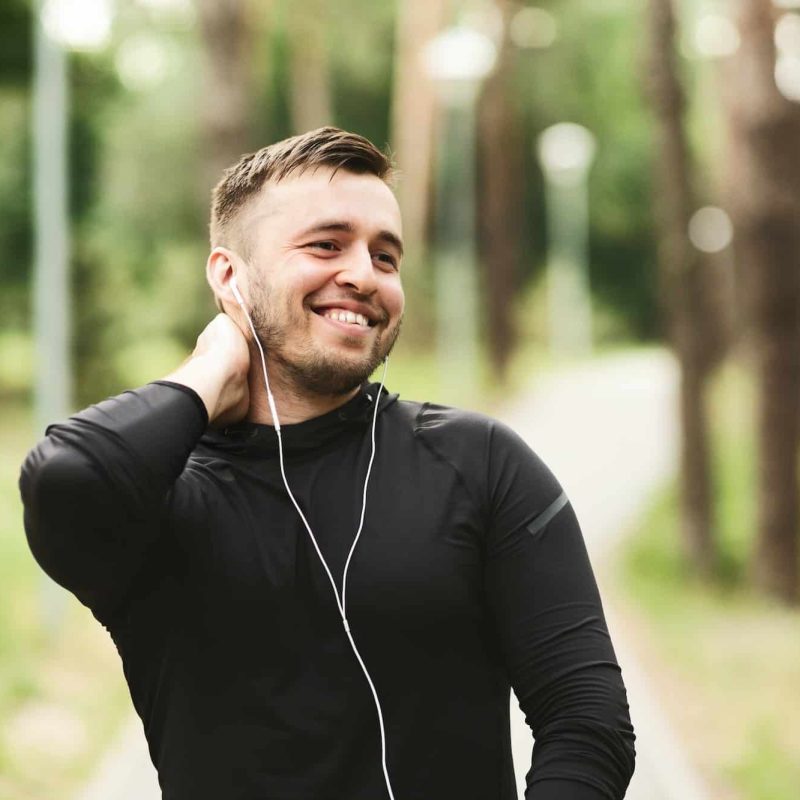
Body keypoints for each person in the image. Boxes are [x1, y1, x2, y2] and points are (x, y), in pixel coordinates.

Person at [19, 127, 635, 799]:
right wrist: (209, 370)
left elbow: (587, 722)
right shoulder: (159, 495)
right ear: (228, 274)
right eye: (326, 244)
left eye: (386, 256)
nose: (364, 275)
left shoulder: (482, 464)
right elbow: (63, 478)